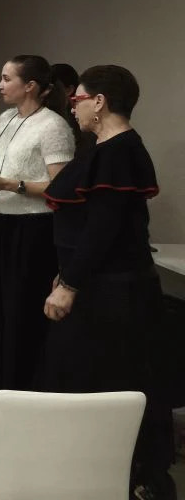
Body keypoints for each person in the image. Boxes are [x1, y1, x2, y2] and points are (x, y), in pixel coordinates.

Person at [40, 65, 175, 500]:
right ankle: (87, 473)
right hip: (99, 287)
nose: (73, 108)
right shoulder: (104, 148)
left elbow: (104, 229)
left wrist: (69, 285)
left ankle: (125, 478)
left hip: (114, 296)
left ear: (99, 102)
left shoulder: (117, 152)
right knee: (84, 379)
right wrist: (67, 273)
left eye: (77, 100)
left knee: (111, 384)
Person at [0, 54, 74, 407]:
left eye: (6, 78)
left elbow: (61, 187)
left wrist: (12, 185)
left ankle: (20, 391)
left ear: (29, 86)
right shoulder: (5, 118)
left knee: (20, 310)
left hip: (32, 227)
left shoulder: (53, 125)